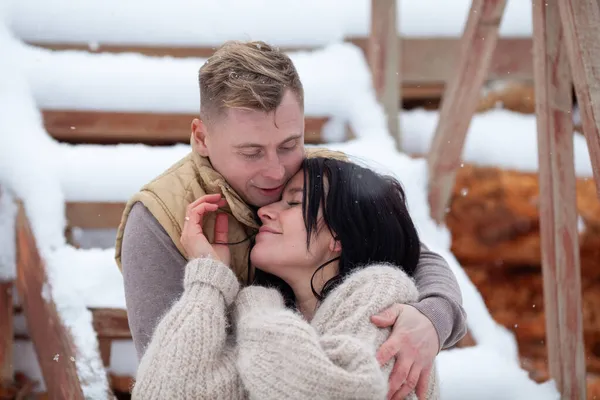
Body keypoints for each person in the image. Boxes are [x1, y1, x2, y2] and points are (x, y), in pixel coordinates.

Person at [116, 40, 466, 399]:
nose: (276, 171)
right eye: (251, 152)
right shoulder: (161, 218)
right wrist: (212, 280)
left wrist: (433, 318)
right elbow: (168, 377)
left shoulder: (323, 177)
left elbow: (410, 252)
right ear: (202, 138)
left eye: (289, 144)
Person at [132, 157, 439, 399]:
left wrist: (253, 305)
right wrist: (208, 279)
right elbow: (166, 391)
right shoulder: (281, 322)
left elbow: (329, 393)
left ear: (339, 235)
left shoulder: (382, 295)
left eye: (293, 202)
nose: (265, 210)